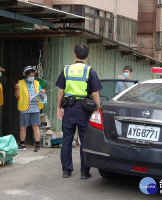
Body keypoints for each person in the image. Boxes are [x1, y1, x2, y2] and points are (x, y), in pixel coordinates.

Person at [56, 44, 102, 179]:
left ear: (74, 55)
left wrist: (59, 108)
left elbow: (60, 91)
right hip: (85, 111)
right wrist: (98, 109)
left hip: (69, 109)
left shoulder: (66, 70)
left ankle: (66, 170)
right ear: (87, 56)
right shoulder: (90, 71)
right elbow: (95, 94)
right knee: (84, 141)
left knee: (67, 141)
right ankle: (84, 172)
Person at [14, 66, 46, 152]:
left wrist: (42, 91)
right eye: (30, 75)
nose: (32, 77)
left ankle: (38, 145)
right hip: (24, 108)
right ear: (26, 75)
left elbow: (40, 93)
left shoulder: (36, 83)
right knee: (23, 127)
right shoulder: (20, 83)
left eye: (33, 75)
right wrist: (17, 89)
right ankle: (22, 144)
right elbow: (17, 96)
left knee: (35, 126)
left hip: (35, 108)